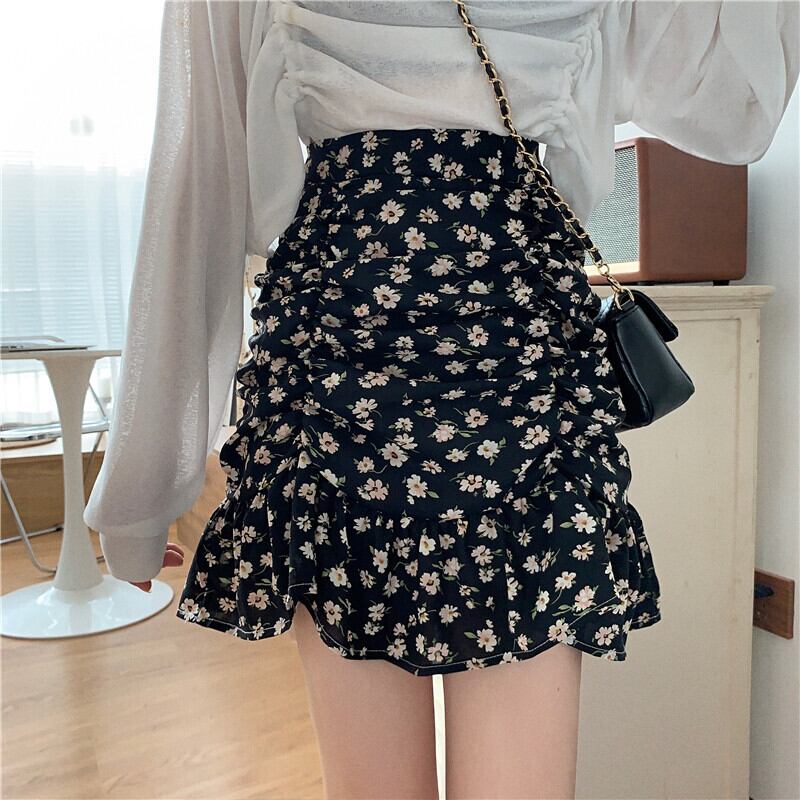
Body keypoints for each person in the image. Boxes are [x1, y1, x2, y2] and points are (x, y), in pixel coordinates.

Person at [83, 2, 799, 798]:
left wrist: (141, 503)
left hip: (379, 358)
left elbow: (197, 188)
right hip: (464, 364)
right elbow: (736, 97)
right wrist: (143, 496)